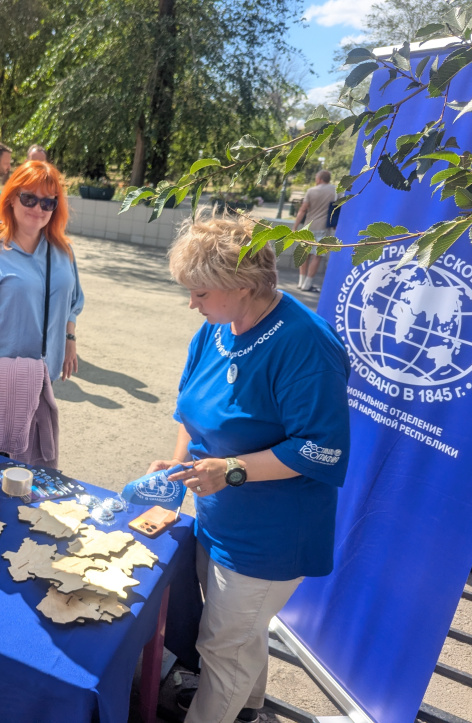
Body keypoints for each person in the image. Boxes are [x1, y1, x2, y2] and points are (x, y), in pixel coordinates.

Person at [145, 218, 350, 723]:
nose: (191, 303)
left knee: (224, 649)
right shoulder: (216, 328)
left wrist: (231, 470)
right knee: (238, 635)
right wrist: (178, 459)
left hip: (271, 537)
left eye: (199, 292)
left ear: (242, 286)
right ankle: (247, 709)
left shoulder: (306, 345)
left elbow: (322, 450)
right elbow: (188, 409)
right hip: (218, 519)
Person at [0, 161, 83, 465]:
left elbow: (74, 299)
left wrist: (69, 337)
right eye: (29, 198)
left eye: (48, 202)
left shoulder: (62, 250)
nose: (38, 208)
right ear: (11, 198)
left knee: (34, 464)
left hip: (43, 376)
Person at [293, 169, 336, 292]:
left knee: (304, 254)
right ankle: (308, 284)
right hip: (323, 228)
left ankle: (301, 282)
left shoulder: (311, 191)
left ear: (319, 179)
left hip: (309, 226)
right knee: (317, 256)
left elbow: (303, 210)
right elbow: (337, 209)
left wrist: (295, 226)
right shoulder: (335, 191)